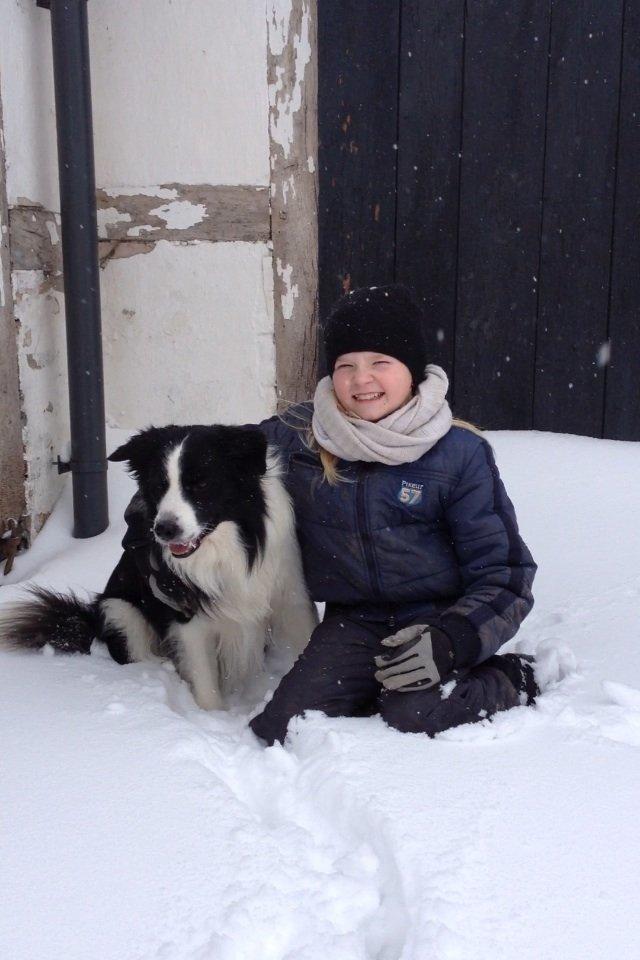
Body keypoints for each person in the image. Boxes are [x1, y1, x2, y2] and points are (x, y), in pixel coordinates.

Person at [125, 284, 539, 745]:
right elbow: (193, 458)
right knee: (281, 726)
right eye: (347, 366)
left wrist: (453, 638)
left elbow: (506, 574)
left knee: (412, 710)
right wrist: (146, 543)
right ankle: (380, 684)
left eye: (380, 363)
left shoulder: (460, 455)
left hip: (439, 618)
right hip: (356, 623)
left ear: (413, 371)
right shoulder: (301, 436)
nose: (362, 380)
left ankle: (511, 677)